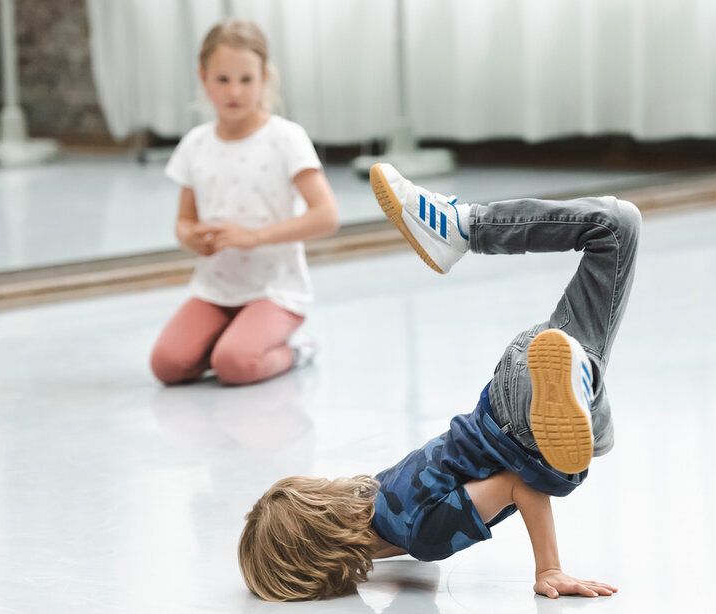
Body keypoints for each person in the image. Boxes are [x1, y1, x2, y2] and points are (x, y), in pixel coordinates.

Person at [238, 163, 641, 601]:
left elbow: (517, 485)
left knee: (585, 445)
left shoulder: (421, 535)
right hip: (511, 381)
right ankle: (464, 227)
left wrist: (549, 569)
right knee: (617, 226)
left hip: (527, 433)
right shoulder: (376, 493)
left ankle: (579, 376)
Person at [149, 20, 339, 386]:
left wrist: (254, 237)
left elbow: (326, 216)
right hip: (215, 290)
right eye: (222, 80)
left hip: (275, 292)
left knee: (234, 365)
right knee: (167, 365)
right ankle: (233, 337)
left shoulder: (286, 138)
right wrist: (191, 238)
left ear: (264, 77)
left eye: (246, 80)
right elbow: (184, 221)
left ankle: (297, 348)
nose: (234, 91)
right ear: (203, 78)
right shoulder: (195, 144)